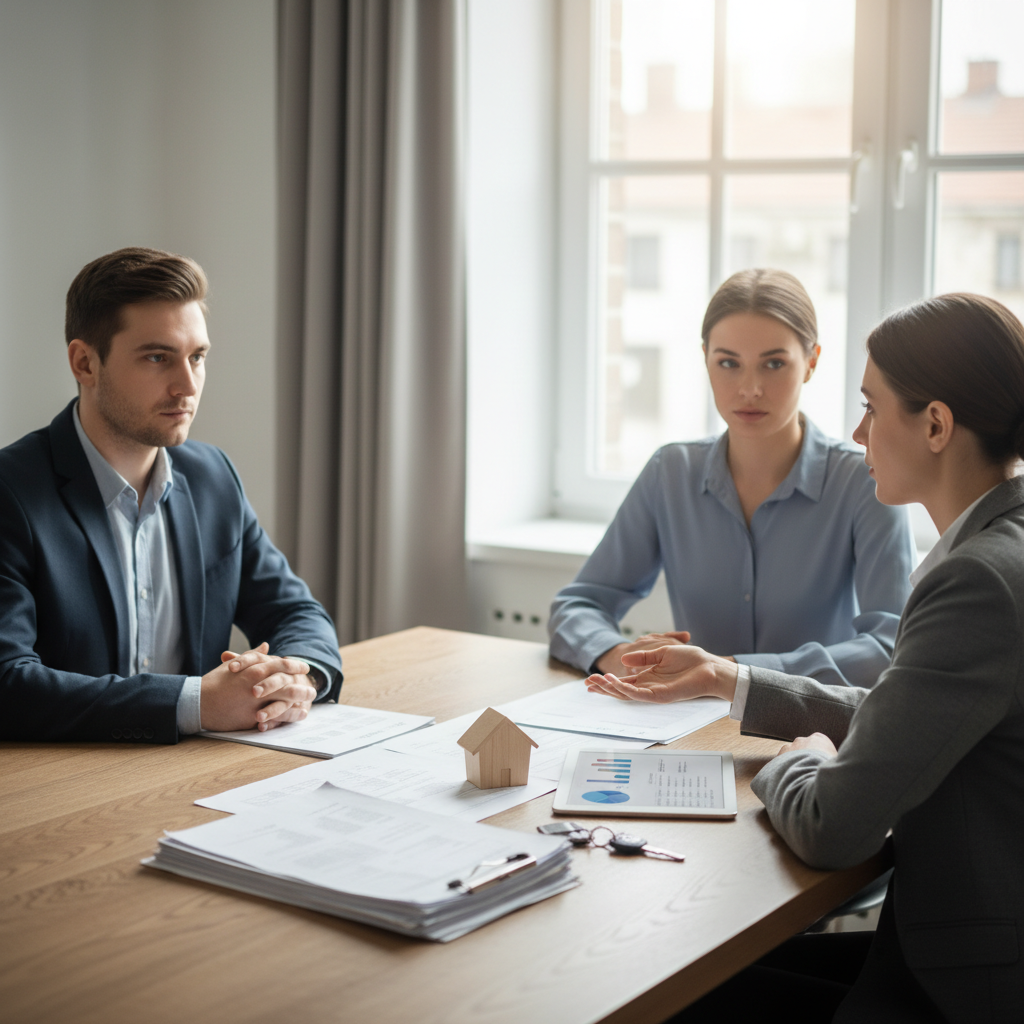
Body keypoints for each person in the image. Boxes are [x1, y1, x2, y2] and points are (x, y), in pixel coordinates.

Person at [592, 293, 1024, 1022]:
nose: (858, 432)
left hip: (963, 981)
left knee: (654, 990)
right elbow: (910, 710)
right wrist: (735, 681)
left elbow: (830, 826)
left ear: (937, 425)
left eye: (872, 406)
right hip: (954, 941)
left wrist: (802, 755)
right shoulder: (1000, 547)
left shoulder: (975, 580)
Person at [0, 247, 342, 743]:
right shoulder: (12, 492)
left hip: (197, 776)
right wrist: (195, 703)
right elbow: (9, 682)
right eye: (158, 357)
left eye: (197, 357)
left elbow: (296, 612)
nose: (187, 385)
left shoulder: (213, 478)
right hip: (64, 790)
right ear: (84, 363)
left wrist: (296, 677)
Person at [549, 269, 914, 689]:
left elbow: (891, 646)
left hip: (815, 730)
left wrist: (729, 673)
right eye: (728, 363)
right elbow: (576, 606)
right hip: (691, 725)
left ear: (812, 361)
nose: (750, 388)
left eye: (774, 363)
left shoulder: (864, 481)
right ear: (705, 358)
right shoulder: (670, 473)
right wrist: (620, 655)